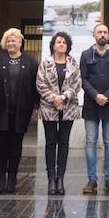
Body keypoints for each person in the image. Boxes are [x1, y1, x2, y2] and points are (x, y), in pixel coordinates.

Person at [0, 28, 38, 194]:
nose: (11, 43)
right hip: (0, 110)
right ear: (4, 43)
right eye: (8, 41)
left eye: (14, 40)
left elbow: (35, 85)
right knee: (1, 146)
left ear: (20, 43)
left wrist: (36, 105)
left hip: (21, 110)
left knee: (16, 146)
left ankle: (12, 178)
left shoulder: (31, 62)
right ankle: (0, 178)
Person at [80, 23, 109, 195]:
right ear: (94, 35)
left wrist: (107, 96)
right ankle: (92, 179)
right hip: (91, 105)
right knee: (91, 142)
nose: (103, 34)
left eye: (105, 32)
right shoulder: (86, 55)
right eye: (99, 32)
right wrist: (96, 95)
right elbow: (83, 79)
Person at [36, 31, 82, 195]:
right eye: (58, 42)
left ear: (67, 46)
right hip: (49, 108)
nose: (61, 44)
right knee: (50, 143)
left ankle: (60, 179)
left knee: (63, 143)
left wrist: (63, 97)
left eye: (64, 42)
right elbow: (40, 83)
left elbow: (77, 84)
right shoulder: (45, 63)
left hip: (68, 108)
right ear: (53, 45)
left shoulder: (73, 63)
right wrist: (54, 98)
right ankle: (51, 179)